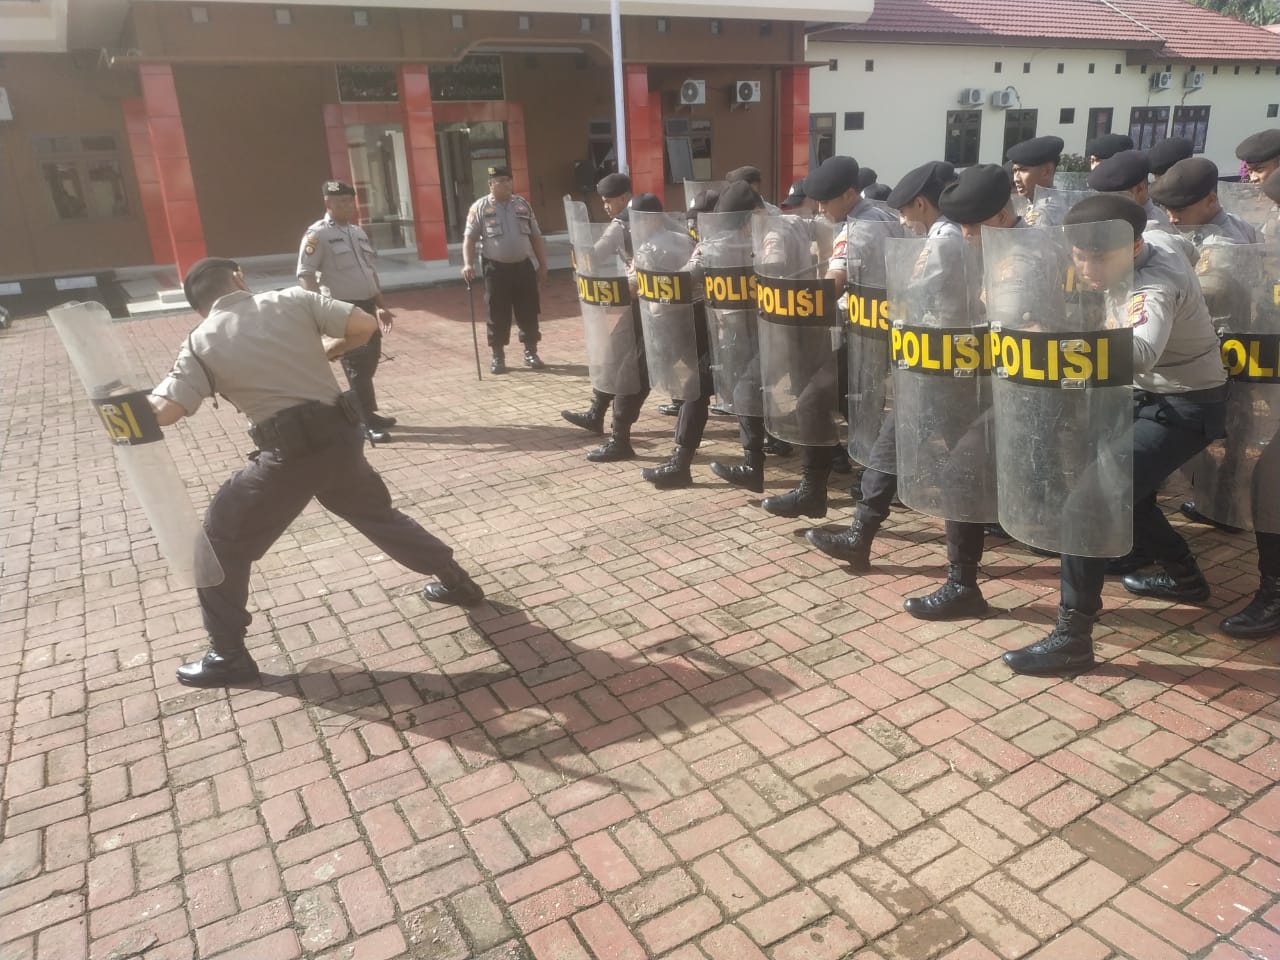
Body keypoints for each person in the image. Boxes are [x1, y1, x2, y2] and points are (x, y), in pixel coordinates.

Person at [150, 259, 485, 687]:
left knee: (217, 546)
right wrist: (331, 349)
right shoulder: (292, 298)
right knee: (378, 516)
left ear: (199, 306)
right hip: (342, 439)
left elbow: (166, 412)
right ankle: (456, 581)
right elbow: (364, 325)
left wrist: (118, 406)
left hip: (289, 456)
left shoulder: (200, 341)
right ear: (237, 279)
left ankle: (228, 654)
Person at [1003, 195, 1228, 675]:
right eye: (1079, 255)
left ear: (1134, 246)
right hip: (1146, 398)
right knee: (1131, 494)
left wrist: (1060, 343)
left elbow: (1143, 349)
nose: (1086, 267)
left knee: (1087, 504)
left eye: (1098, 257)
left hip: (1184, 404)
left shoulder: (1153, 283)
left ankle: (1073, 639)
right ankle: (1186, 578)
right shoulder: (1157, 236)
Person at [807, 164, 1005, 580]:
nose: (900, 219)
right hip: (938, 363)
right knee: (902, 449)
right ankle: (863, 538)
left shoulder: (948, 239)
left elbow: (919, 294)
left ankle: (962, 571)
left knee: (955, 466)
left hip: (950, 365)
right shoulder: (942, 235)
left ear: (920, 203)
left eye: (905, 210)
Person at [762, 154, 903, 521]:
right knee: (863, 408)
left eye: (826, 201)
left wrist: (791, 299)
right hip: (886, 334)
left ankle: (814, 492)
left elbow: (835, 283)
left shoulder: (858, 228)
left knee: (811, 402)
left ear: (850, 194)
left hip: (869, 337)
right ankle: (852, 471)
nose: (821, 208)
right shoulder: (886, 215)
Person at [561, 175, 656, 462]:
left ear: (625, 197)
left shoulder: (621, 225)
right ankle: (597, 412)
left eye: (608, 200)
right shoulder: (653, 219)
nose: (605, 206)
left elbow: (597, 252)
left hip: (651, 305)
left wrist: (582, 260)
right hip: (644, 301)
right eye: (602, 200)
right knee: (618, 355)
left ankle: (617, 431)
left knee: (634, 367)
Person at [298, 180, 396, 444]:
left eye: (349, 201)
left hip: (366, 306)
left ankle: (368, 413)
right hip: (341, 309)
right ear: (328, 204)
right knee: (357, 367)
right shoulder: (317, 235)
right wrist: (317, 311)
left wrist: (381, 305)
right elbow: (306, 274)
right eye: (339, 202)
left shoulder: (357, 233)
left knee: (371, 360)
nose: (346, 206)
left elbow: (369, 272)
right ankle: (363, 422)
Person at [461, 166, 548, 374]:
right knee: (497, 312)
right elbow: (469, 239)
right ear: (490, 184)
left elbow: (535, 236)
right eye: (500, 181)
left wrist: (543, 265)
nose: (506, 184)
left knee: (528, 309)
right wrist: (467, 264)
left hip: (523, 267)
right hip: (495, 268)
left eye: (508, 180)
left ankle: (530, 352)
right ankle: (498, 356)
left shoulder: (522, 205)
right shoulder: (479, 208)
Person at [1149, 158, 1261, 244]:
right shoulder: (1236, 222)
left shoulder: (1219, 245)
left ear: (1211, 200)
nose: (1172, 219)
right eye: (1166, 209)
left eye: (1179, 210)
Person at [1087, 149, 1170, 227]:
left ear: (1139, 189)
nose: (1109, 203)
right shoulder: (1125, 219)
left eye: (1117, 196)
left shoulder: (1149, 226)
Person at [1007, 135, 1064, 212]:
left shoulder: (1046, 212)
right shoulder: (1034, 203)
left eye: (1023, 170)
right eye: (1015, 171)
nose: (1016, 179)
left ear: (1046, 171)